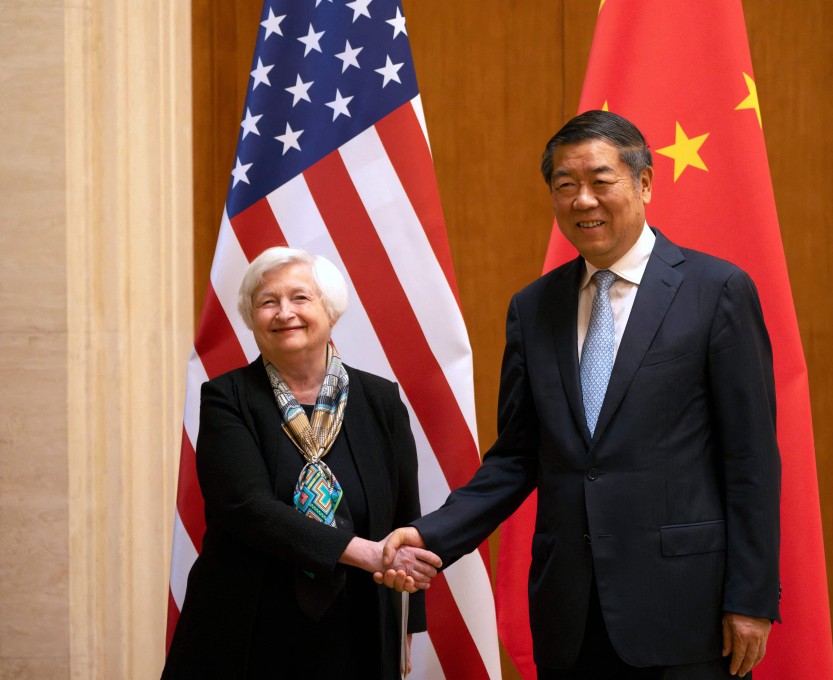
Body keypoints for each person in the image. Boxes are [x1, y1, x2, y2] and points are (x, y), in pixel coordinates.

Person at [378, 111, 781, 679]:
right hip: (569, 613)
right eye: (565, 186)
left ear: (643, 184)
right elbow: (517, 457)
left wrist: (752, 597)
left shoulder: (716, 292)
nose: (583, 200)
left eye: (600, 180)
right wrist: (431, 535)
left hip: (685, 610)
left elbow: (751, 460)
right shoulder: (534, 307)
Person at [163, 247, 441, 679]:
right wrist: (362, 553)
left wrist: (407, 623)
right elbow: (247, 508)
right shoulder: (226, 398)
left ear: (331, 311)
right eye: (267, 301)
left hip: (361, 626)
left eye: (300, 298)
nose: (283, 313)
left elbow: (407, 515)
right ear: (253, 318)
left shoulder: (380, 400)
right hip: (248, 628)